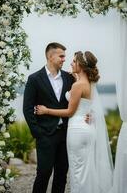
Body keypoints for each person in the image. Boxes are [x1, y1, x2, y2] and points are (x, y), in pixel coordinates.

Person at [35, 51, 113, 193]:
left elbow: (70, 112)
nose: (71, 63)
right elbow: (87, 105)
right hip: (87, 129)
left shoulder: (78, 86)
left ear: (81, 65)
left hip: (77, 130)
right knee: (86, 170)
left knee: (77, 172)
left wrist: (46, 110)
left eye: (74, 61)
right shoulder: (88, 83)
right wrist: (77, 77)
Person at [23, 42, 75, 193]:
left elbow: (76, 103)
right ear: (50, 56)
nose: (64, 59)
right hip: (45, 134)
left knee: (61, 175)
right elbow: (27, 109)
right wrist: (38, 133)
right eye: (61, 56)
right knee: (43, 174)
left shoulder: (69, 78)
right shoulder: (34, 79)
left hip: (65, 134)